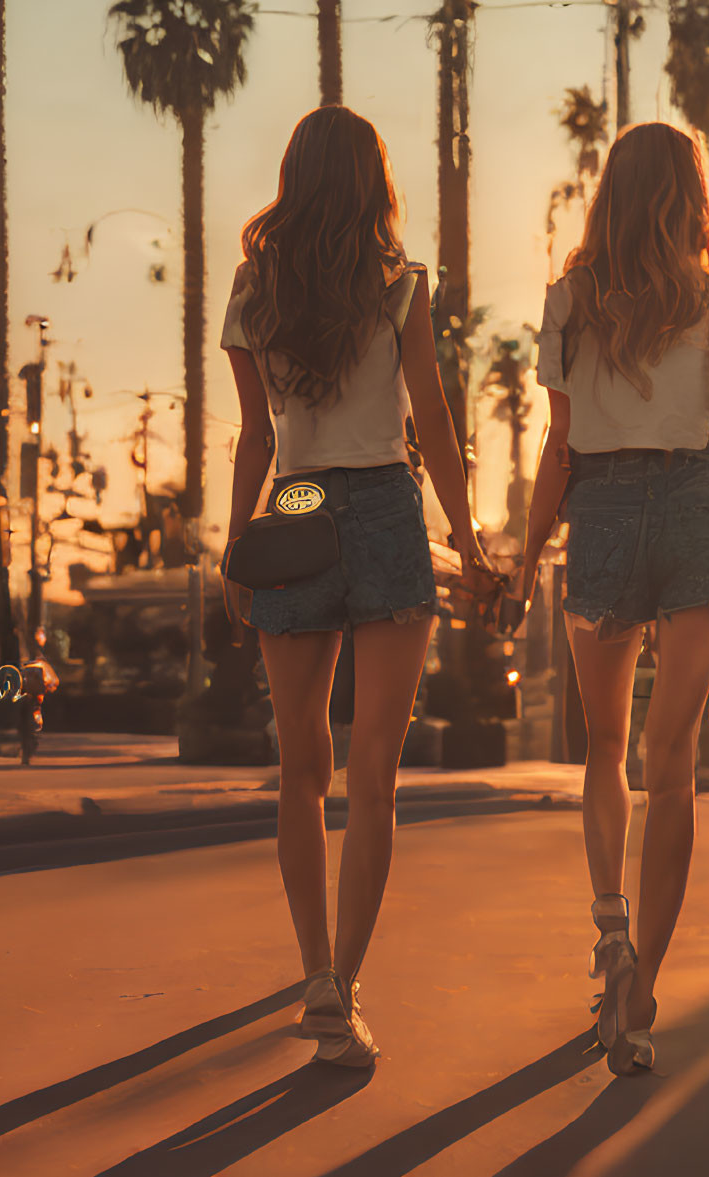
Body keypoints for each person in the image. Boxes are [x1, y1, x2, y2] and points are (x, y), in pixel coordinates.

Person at [512, 121, 709, 1076]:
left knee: (604, 744)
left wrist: (524, 563)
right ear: (689, 195)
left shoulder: (571, 300)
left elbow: (558, 451)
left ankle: (611, 924)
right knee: (671, 757)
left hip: (600, 511)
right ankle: (638, 991)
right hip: (696, 506)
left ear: (609, 192)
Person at [221, 105, 495, 1067]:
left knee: (301, 767)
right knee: (374, 770)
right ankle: (348, 984)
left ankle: (314, 977)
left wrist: (234, 545)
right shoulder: (400, 285)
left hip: (294, 504)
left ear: (294, 176)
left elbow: (257, 437)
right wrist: (466, 537)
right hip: (385, 504)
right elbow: (433, 417)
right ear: (374, 181)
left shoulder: (256, 288)